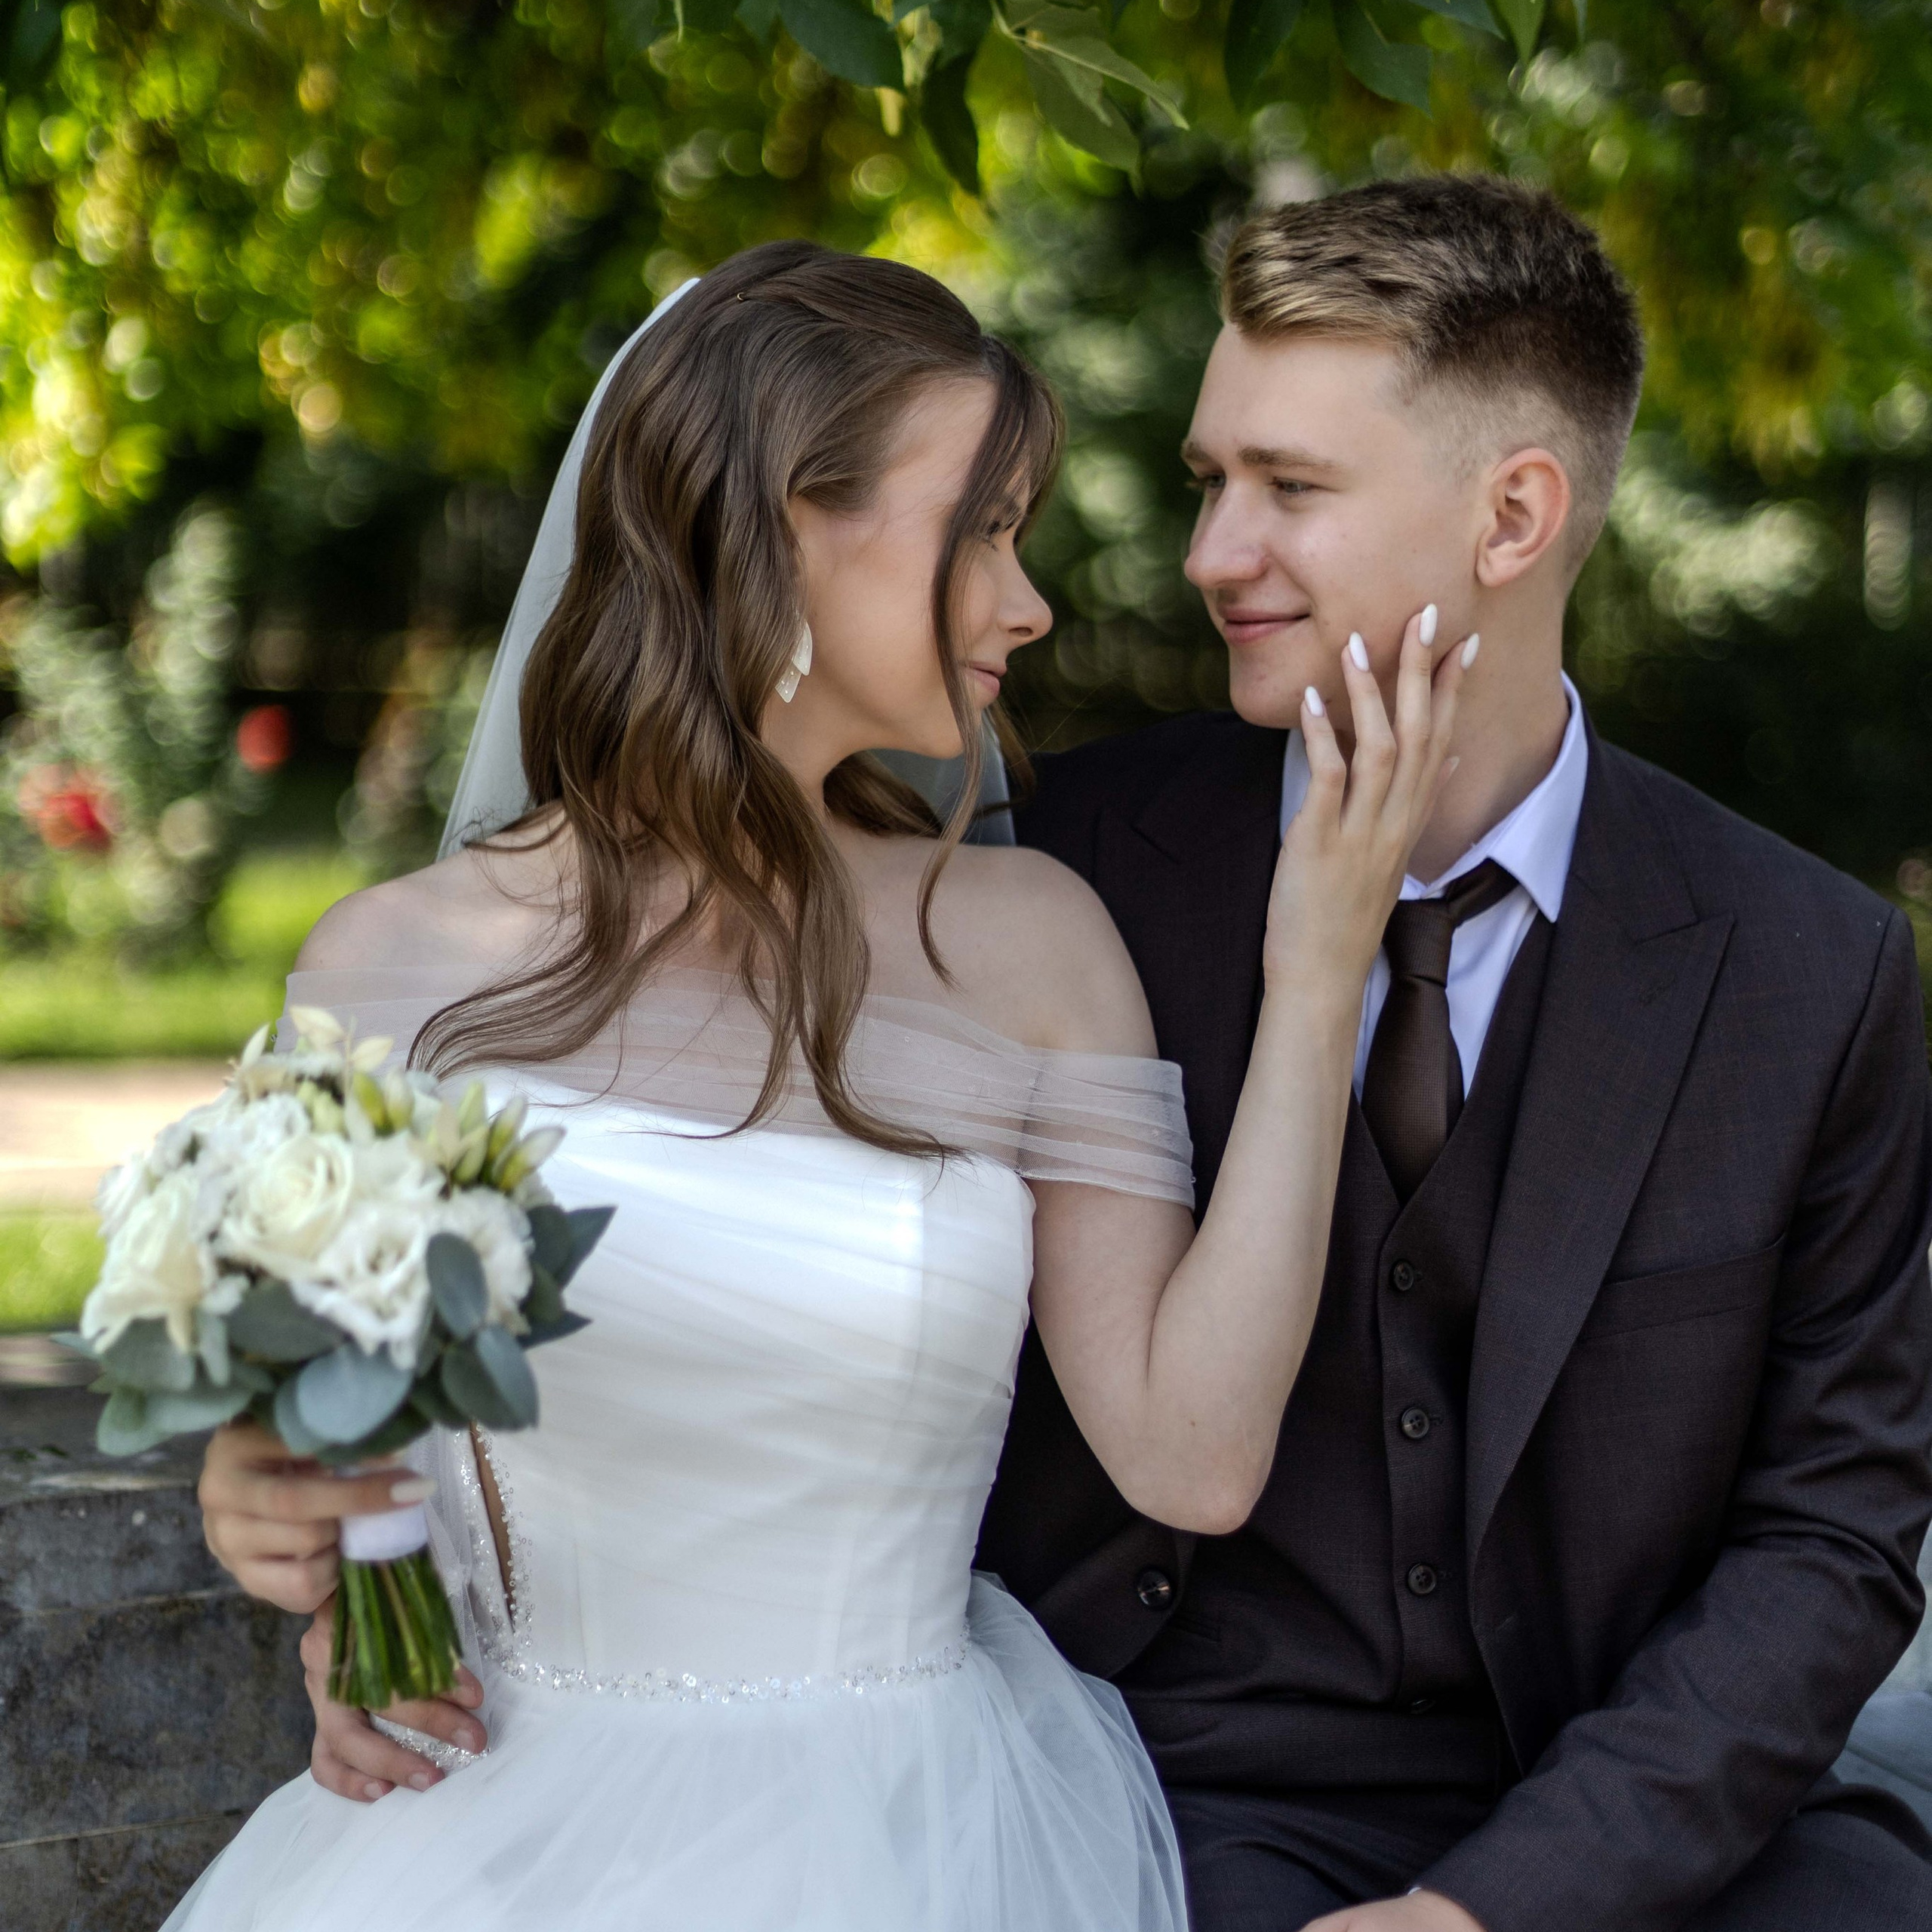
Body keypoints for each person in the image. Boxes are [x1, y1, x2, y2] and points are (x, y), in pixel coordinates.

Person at [172, 239, 1464, 1930]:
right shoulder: (384, 969)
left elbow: (1194, 1456)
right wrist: (281, 1528)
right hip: (485, 1845)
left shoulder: (1028, 944)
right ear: (788, 521)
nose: (1027, 601)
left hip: (914, 1840)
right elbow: (342, 1452)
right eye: (982, 529)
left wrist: (1319, 973)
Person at [974, 176, 1932, 1931]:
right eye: (1207, 480)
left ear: (1512, 515)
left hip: (1627, 1812)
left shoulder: (1807, 969)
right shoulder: (1066, 871)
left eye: (1288, 487)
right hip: (1183, 1790)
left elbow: (1831, 1536)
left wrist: (1493, 1905)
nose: (1210, 554)